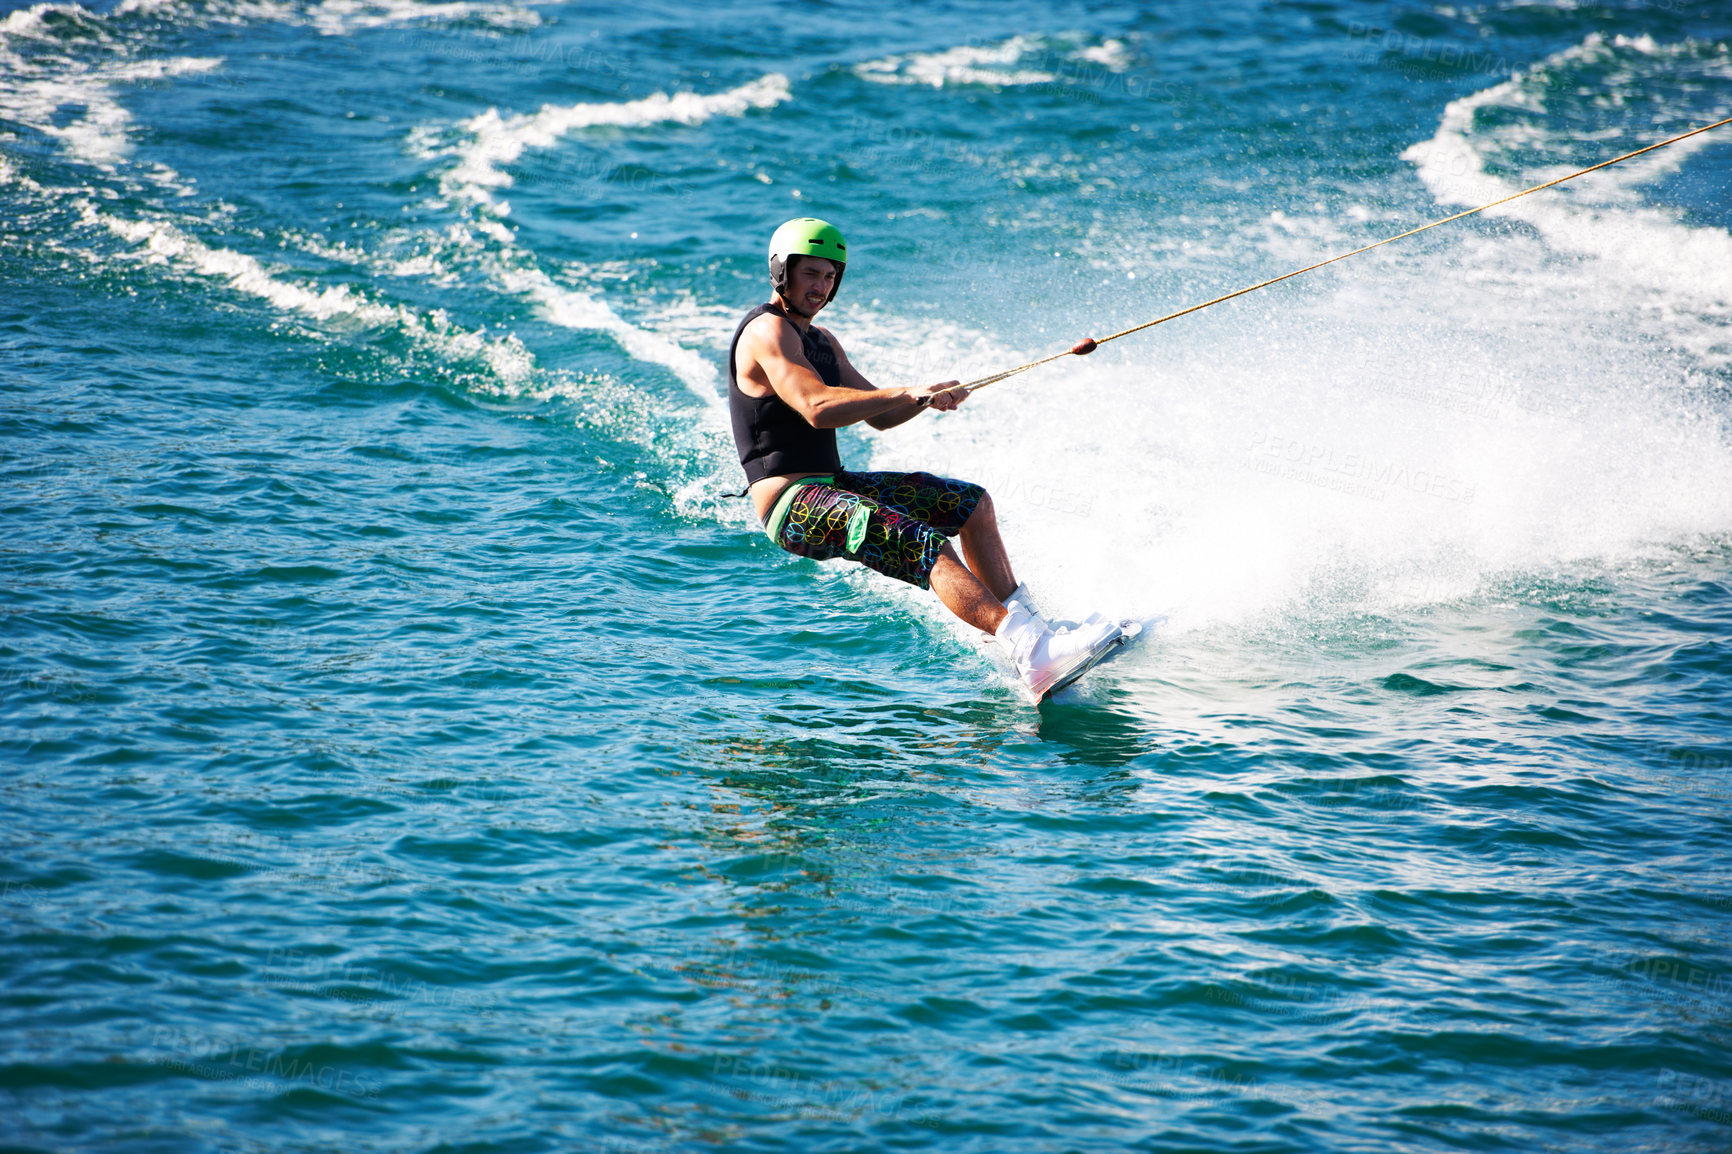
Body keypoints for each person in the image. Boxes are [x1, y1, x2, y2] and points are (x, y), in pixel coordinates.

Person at [728, 217, 1122, 699]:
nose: (821, 286)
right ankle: (1032, 653)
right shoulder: (766, 333)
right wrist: (907, 391)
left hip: (832, 485)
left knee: (969, 504)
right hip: (791, 503)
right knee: (918, 540)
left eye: (831, 276)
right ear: (781, 273)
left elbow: (880, 416)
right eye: (811, 273)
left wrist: (928, 396)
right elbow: (817, 408)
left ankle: (1030, 636)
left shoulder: (823, 340)